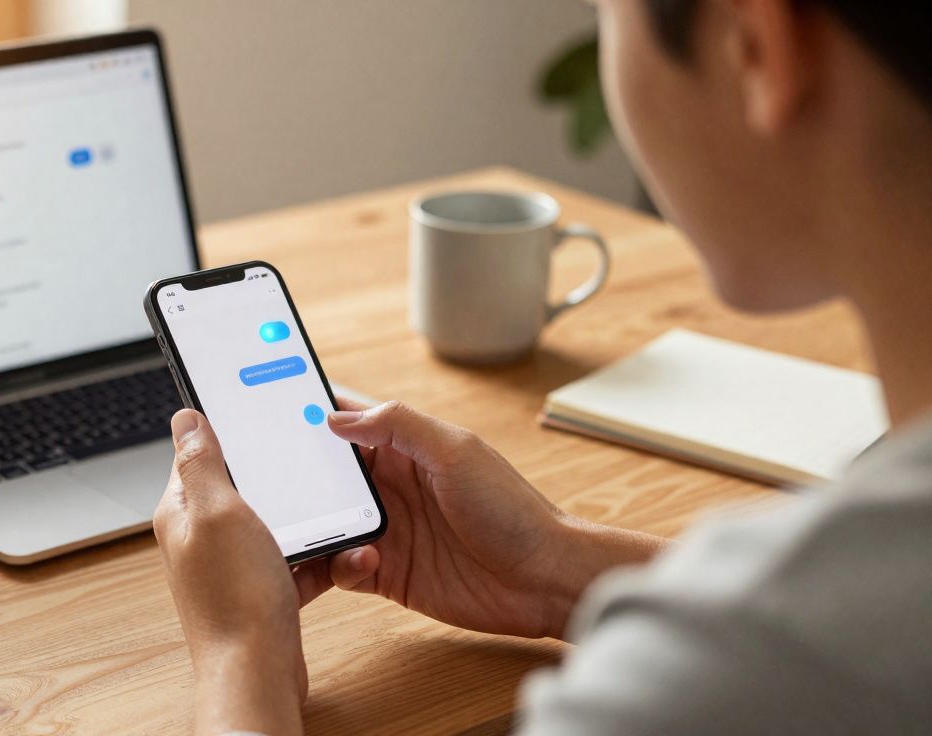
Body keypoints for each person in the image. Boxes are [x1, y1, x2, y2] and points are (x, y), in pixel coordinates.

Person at [151, 0, 932, 733]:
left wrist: (240, 654)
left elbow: (775, 645)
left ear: (758, 45)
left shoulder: (705, 687)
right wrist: (550, 564)